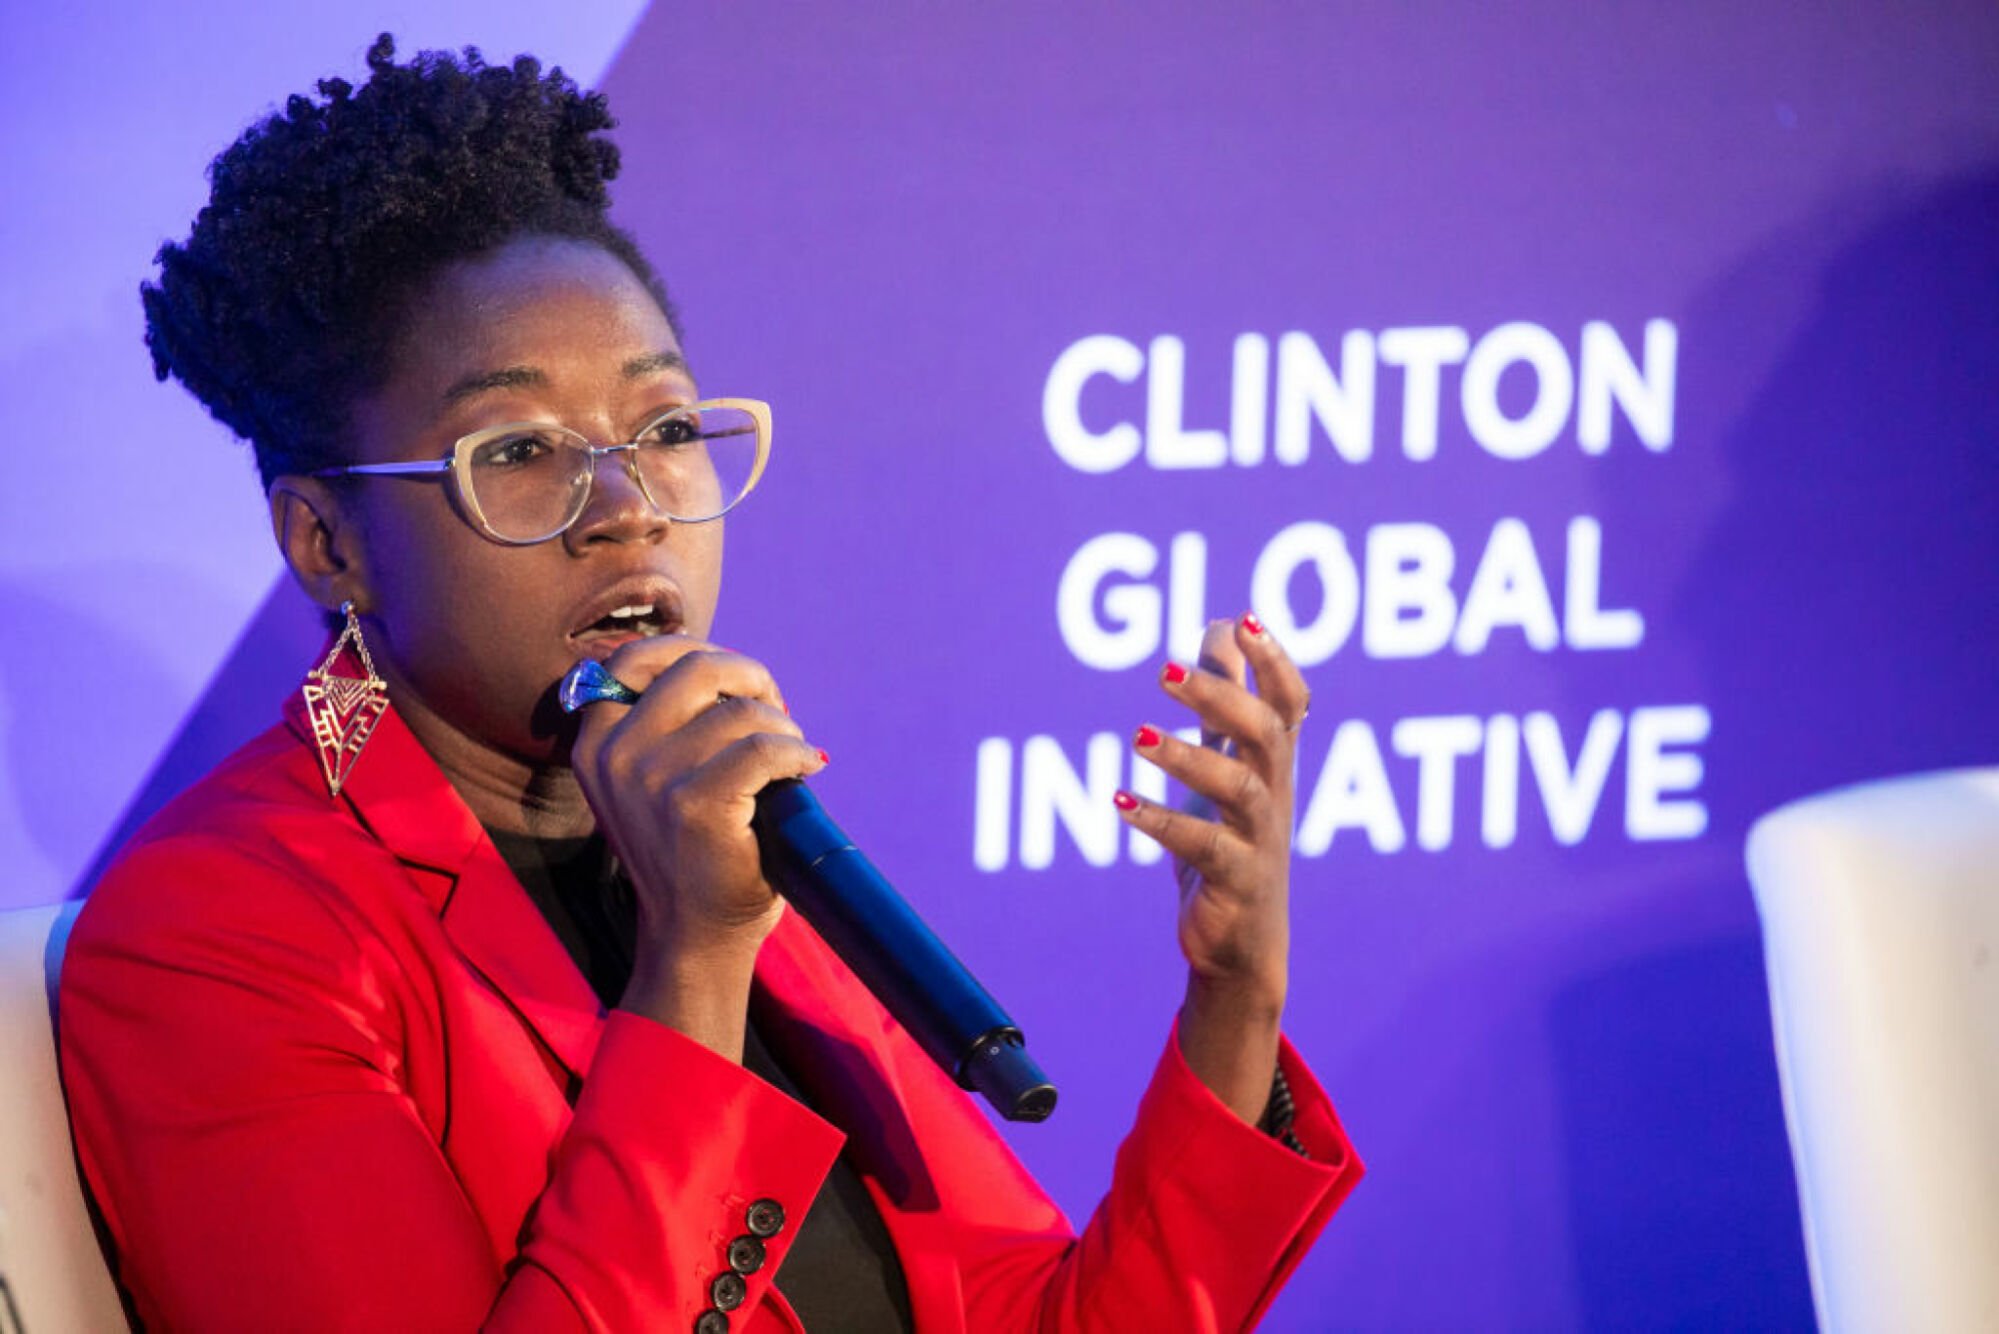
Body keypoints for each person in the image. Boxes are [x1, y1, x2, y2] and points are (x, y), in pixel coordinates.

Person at [57, 35, 1362, 1332]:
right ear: (327, 543)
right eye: (518, 449)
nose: (626, 506)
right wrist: (689, 971)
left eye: (667, 428)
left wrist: (1234, 1002)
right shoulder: (222, 933)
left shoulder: (714, 841)